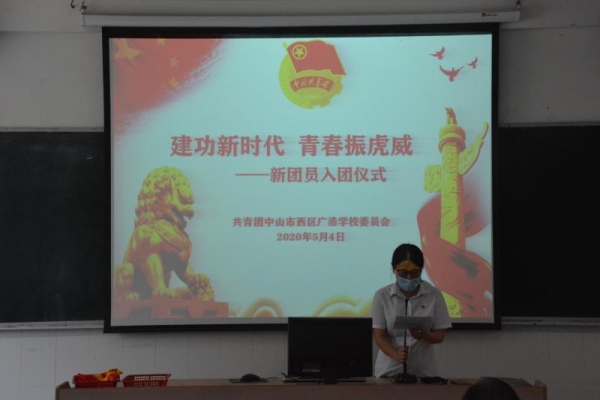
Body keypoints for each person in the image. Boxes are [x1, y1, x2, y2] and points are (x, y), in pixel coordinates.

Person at [371, 243, 452, 378]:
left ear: (421, 270)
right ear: (394, 269)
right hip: (388, 372)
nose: (409, 278)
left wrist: (425, 335)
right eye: (403, 273)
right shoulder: (382, 296)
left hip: (423, 373)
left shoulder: (434, 295)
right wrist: (395, 354)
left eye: (415, 273)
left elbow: (440, 336)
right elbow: (379, 335)